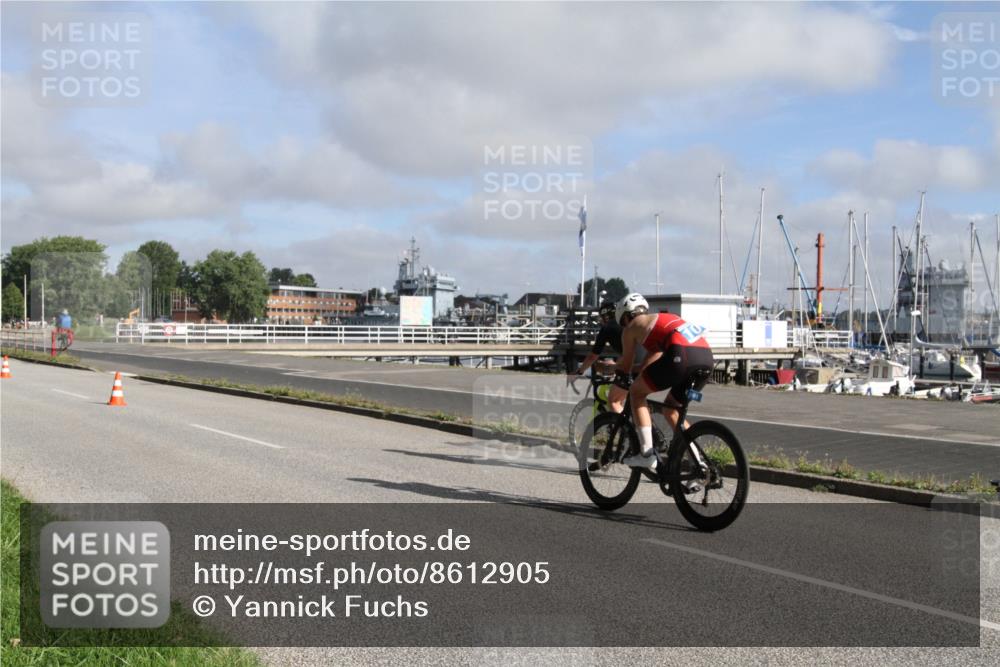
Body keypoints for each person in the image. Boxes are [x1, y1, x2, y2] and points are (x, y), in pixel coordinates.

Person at [614, 293, 714, 469]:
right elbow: (654, 358)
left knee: (636, 393)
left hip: (681, 354)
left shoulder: (631, 327)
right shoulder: (667, 318)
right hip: (706, 357)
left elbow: (626, 365)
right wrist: (641, 371)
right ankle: (699, 465)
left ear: (627, 316)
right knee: (672, 409)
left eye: (623, 322)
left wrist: (608, 368)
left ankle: (646, 453)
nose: (625, 327)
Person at [567, 301, 645, 413]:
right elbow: (628, 351)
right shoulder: (625, 323)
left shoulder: (607, 328)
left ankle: (625, 428)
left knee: (613, 401)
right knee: (634, 399)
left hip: (634, 365)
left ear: (605, 316)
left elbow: (592, 356)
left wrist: (580, 371)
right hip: (648, 361)